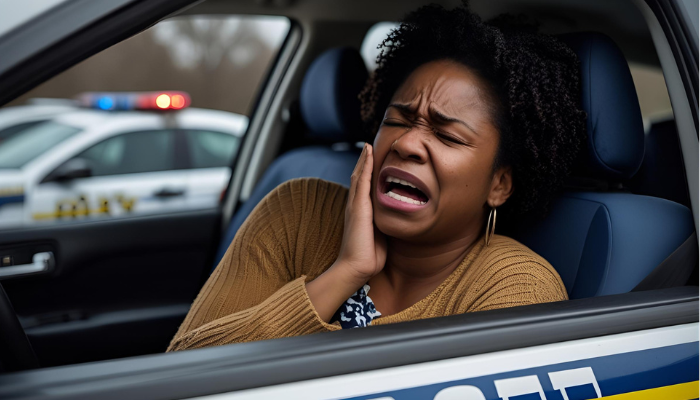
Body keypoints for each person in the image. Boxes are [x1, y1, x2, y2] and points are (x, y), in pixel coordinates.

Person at [167, 2, 586, 351]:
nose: (406, 144)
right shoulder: (294, 212)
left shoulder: (516, 288)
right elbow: (183, 370)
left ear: (499, 184)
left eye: (446, 135)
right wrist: (345, 271)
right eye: (399, 120)